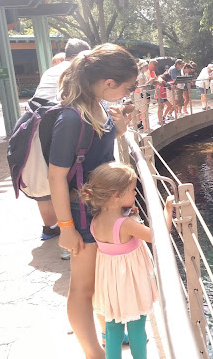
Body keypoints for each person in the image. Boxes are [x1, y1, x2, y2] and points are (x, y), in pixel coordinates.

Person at [48, 43, 138, 359]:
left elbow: (97, 147)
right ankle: (93, 352)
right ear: (108, 83)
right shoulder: (71, 118)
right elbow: (56, 177)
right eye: (126, 88)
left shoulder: (96, 107)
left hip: (100, 209)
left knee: (101, 281)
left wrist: (119, 126)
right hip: (81, 215)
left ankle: (104, 331)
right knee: (83, 288)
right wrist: (66, 227)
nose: (128, 93)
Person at [80, 162, 174, 359]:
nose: (135, 194)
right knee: (137, 328)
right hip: (131, 283)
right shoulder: (126, 224)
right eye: (132, 190)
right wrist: (167, 211)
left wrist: (127, 212)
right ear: (116, 195)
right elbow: (159, 235)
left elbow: (115, 228)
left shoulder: (96, 219)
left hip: (109, 284)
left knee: (113, 329)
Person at [31, 38, 91, 257]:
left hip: (37, 129)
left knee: (49, 179)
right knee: (66, 179)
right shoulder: (81, 68)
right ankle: (69, 241)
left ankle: (50, 228)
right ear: (85, 54)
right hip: (60, 127)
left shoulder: (50, 70)